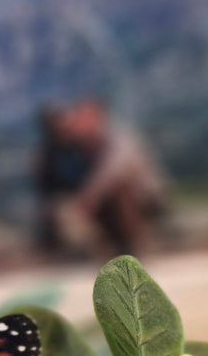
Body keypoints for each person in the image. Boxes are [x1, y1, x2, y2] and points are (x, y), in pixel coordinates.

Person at [32, 99, 167, 258]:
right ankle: (104, 250)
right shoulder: (74, 148)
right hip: (99, 201)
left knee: (119, 192)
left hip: (144, 197)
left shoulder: (118, 138)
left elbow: (114, 171)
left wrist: (90, 196)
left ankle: (136, 247)